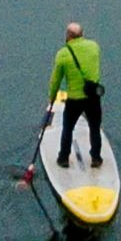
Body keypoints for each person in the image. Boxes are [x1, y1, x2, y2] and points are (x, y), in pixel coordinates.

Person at [47, 21, 104, 168]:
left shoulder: (63, 54)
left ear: (68, 36)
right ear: (82, 34)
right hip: (93, 97)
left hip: (75, 99)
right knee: (95, 127)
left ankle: (63, 158)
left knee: (68, 128)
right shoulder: (94, 47)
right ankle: (96, 158)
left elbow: (56, 80)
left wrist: (52, 96)